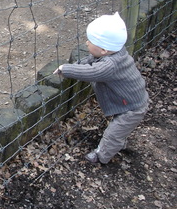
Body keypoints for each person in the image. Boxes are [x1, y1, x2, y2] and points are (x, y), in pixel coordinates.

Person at [54, 12, 149, 164]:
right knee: (118, 132)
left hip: (132, 109)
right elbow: (90, 62)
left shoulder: (110, 65)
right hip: (131, 101)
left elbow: (92, 71)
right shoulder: (115, 53)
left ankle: (101, 157)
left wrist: (66, 69)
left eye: (90, 41)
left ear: (104, 50)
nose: (86, 43)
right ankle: (117, 144)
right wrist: (76, 65)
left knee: (113, 134)